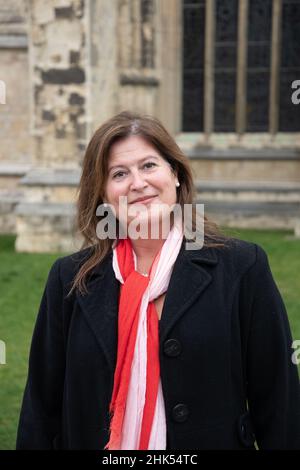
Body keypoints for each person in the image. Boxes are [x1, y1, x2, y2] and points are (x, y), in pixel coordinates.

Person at [16, 111, 300, 450]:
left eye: (149, 165)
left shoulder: (241, 266)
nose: (138, 183)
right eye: (119, 173)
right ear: (104, 194)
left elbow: (279, 402)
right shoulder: (69, 279)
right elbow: (41, 407)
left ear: (175, 174)